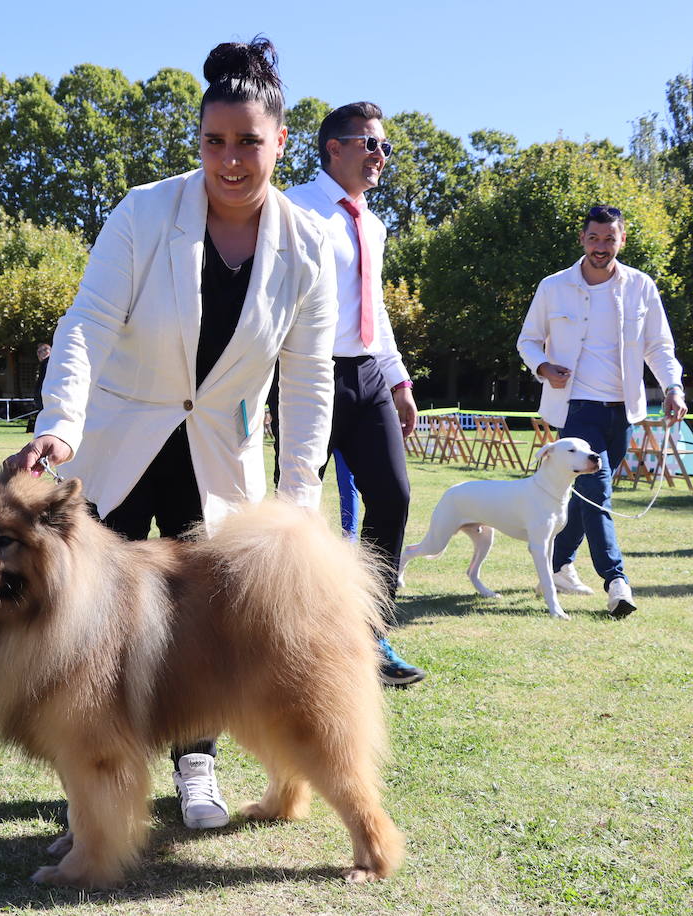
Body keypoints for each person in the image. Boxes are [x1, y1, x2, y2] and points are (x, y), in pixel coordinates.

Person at [7, 38, 337, 832]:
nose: (230, 160)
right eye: (214, 141)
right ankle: (93, 782)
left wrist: (296, 495)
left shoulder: (310, 245)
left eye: (248, 142)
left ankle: (197, 768)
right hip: (115, 443)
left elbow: (308, 377)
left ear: (280, 141)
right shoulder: (143, 212)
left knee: (207, 627)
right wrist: (60, 426)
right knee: (86, 625)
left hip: (218, 456)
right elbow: (85, 324)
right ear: (198, 142)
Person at [284, 102, 425, 688]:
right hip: (303, 375)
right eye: (369, 144)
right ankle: (288, 640)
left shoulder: (373, 223)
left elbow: (376, 309)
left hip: (366, 374)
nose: (380, 156)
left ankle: (368, 634)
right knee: (296, 512)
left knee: (392, 497)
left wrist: (398, 380)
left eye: (384, 147)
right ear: (332, 148)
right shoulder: (291, 208)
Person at [517, 203, 687, 618]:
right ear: (582, 239)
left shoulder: (641, 286)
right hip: (576, 410)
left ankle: (557, 566)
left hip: (623, 411)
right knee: (599, 493)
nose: (601, 246)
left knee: (583, 497)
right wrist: (542, 366)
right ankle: (617, 582)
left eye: (609, 239)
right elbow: (528, 340)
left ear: (621, 240)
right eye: (593, 238)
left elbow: (659, 346)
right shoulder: (553, 286)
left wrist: (673, 386)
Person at [27, 342, 50, 433]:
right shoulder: (48, 363)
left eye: (39, 352)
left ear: (46, 352)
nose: (38, 355)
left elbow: (43, 381)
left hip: (44, 396)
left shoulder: (47, 363)